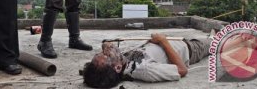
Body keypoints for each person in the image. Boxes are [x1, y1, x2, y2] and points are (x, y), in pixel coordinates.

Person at [83, 32, 213, 88]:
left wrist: (106, 45)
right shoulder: (144, 70)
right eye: (106, 55)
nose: (105, 51)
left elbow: (106, 48)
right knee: (217, 42)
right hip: (191, 49)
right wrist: (163, 41)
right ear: (117, 67)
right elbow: (182, 70)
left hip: (178, 41)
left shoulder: (121, 63)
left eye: (100, 52)